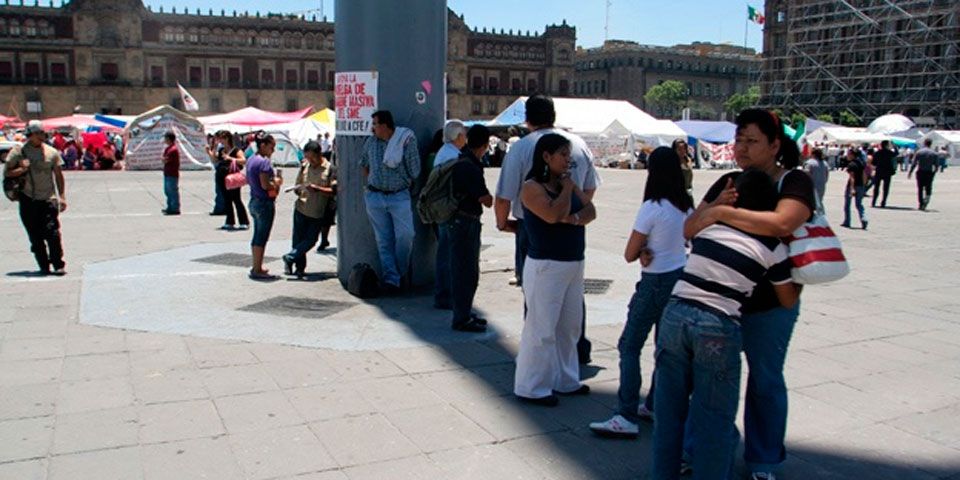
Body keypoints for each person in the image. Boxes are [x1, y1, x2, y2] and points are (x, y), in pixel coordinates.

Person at [684, 109, 816, 480]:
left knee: (766, 380)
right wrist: (714, 210)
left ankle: (764, 461)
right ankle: (699, 450)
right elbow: (690, 227)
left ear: (775, 145)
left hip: (772, 302)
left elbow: (783, 222)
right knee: (708, 381)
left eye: (751, 140)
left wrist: (721, 214)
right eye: (738, 139)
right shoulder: (728, 179)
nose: (740, 147)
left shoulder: (793, 181)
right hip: (722, 304)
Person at [653, 169, 799, 480]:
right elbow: (787, 299)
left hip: (674, 315)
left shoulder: (709, 226)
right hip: (717, 325)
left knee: (669, 415)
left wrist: (717, 205)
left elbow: (688, 228)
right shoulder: (773, 247)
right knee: (715, 421)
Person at [589, 146, 693, 438]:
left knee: (630, 345)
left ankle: (626, 413)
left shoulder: (653, 207)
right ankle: (656, 404)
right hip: (680, 278)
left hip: (655, 281)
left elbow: (629, 252)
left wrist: (644, 249)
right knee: (666, 348)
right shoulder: (686, 205)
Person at [494, 94, 599, 364]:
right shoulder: (577, 144)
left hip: (534, 229)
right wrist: (576, 213)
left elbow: (504, 195)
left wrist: (503, 223)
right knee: (572, 296)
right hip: (574, 229)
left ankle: (539, 357)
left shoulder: (520, 148)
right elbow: (590, 188)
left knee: (538, 297)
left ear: (527, 118)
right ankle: (575, 351)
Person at [513, 133, 597, 407]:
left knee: (569, 326)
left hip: (573, 262)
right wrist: (566, 193)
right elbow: (551, 214)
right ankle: (531, 386)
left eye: (568, 154)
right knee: (541, 328)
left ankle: (565, 379)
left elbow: (590, 211)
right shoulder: (532, 187)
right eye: (563, 154)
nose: (568, 159)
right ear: (546, 157)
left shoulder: (568, 184)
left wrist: (572, 218)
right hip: (546, 265)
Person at [360, 110, 421, 293]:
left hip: (399, 195)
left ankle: (400, 271)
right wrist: (374, 181)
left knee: (406, 235)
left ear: (385, 125)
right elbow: (363, 164)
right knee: (383, 240)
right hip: (375, 196)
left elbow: (415, 170)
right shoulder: (371, 142)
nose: (373, 128)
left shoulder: (406, 141)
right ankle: (392, 279)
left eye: (375, 124)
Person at [446, 124, 494, 332]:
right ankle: (462, 318)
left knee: (463, 269)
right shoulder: (470, 166)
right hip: (465, 222)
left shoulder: (463, 159)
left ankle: (464, 312)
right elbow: (486, 199)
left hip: (460, 221)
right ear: (483, 145)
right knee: (467, 271)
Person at [3, 124, 68, 275]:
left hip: (48, 199)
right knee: (35, 235)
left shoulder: (52, 153)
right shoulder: (19, 152)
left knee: (53, 233)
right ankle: (43, 265)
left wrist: (62, 196)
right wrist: (22, 169)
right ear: (30, 135)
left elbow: (58, 175)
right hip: (28, 200)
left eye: (43, 133)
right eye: (38, 133)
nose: (42, 136)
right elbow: (7, 173)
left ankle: (58, 264)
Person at [283, 141, 335, 279]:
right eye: (308, 157)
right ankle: (298, 268)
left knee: (311, 240)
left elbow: (334, 191)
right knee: (298, 240)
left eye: (312, 158)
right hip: (301, 208)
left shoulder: (329, 169)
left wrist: (317, 189)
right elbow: (298, 183)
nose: (310, 161)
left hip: (317, 211)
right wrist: (298, 189)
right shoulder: (305, 166)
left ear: (319, 154)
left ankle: (290, 257)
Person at [432, 120, 467, 310]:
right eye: (464, 134)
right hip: (450, 211)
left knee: (445, 253)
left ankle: (444, 293)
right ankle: (445, 295)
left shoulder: (444, 152)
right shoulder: (453, 156)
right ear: (458, 137)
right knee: (448, 255)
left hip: (443, 210)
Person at [246, 134, 283, 280]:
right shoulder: (264, 162)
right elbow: (265, 185)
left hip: (254, 200)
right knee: (262, 236)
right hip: (264, 202)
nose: (272, 150)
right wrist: (277, 183)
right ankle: (257, 268)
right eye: (271, 147)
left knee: (257, 235)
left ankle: (257, 266)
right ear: (263, 145)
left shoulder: (251, 160)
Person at [208, 130, 249, 230]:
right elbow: (215, 161)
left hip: (232, 178)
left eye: (220, 138)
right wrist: (212, 151)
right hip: (222, 177)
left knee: (236, 199)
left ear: (227, 138)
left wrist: (230, 158)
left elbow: (243, 161)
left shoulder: (236, 150)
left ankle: (244, 221)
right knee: (227, 200)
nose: (219, 141)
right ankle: (230, 221)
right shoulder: (221, 150)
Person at [909, 138, 939, 211]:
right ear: (930, 144)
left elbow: (914, 163)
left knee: (920, 188)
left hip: (920, 172)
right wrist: (934, 173)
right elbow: (936, 165)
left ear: (925, 143)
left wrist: (910, 172)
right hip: (929, 172)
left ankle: (921, 203)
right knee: (928, 188)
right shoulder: (934, 153)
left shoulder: (919, 152)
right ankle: (927, 199)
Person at [841, 149, 868, 229]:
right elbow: (864, 175)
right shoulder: (861, 163)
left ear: (853, 155)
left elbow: (852, 177)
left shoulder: (851, 165)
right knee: (859, 204)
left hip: (852, 186)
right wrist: (864, 185)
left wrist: (852, 189)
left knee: (847, 204)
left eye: (849, 154)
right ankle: (863, 218)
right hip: (860, 185)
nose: (847, 155)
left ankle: (847, 221)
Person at [803, 148, 829, 214]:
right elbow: (827, 175)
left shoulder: (809, 162)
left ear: (813, 154)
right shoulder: (825, 163)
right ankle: (822, 216)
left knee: (810, 203)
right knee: (819, 202)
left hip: (811, 186)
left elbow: (806, 173)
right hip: (821, 186)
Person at [871, 140, 896, 208]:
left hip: (879, 171)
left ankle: (873, 201)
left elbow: (873, 163)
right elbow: (896, 153)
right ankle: (883, 202)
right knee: (886, 188)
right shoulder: (890, 153)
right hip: (887, 172)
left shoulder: (877, 153)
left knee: (876, 187)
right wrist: (894, 145)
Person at [161, 131, 181, 215]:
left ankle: (175, 208)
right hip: (167, 173)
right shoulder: (168, 148)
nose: (164, 139)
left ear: (169, 139)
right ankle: (170, 207)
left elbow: (165, 159)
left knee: (172, 191)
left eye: (165, 138)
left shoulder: (173, 149)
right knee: (167, 191)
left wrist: (163, 159)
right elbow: (163, 159)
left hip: (172, 174)